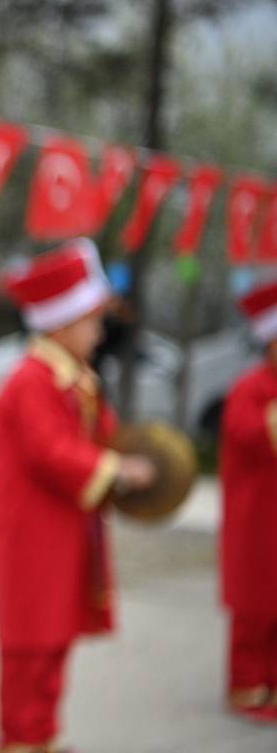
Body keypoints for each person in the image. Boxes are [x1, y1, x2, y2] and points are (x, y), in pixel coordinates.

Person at [0, 239, 154, 753]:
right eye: (92, 320)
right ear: (60, 323)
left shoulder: (75, 380)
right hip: (34, 537)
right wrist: (115, 469)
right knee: (30, 645)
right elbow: (51, 452)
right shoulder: (30, 382)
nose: (100, 331)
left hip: (65, 531)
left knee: (56, 638)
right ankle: (21, 736)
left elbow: (99, 434)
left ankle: (43, 733)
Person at [219, 278, 277, 721]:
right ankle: (248, 686)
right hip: (255, 518)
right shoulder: (250, 388)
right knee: (255, 609)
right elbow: (250, 434)